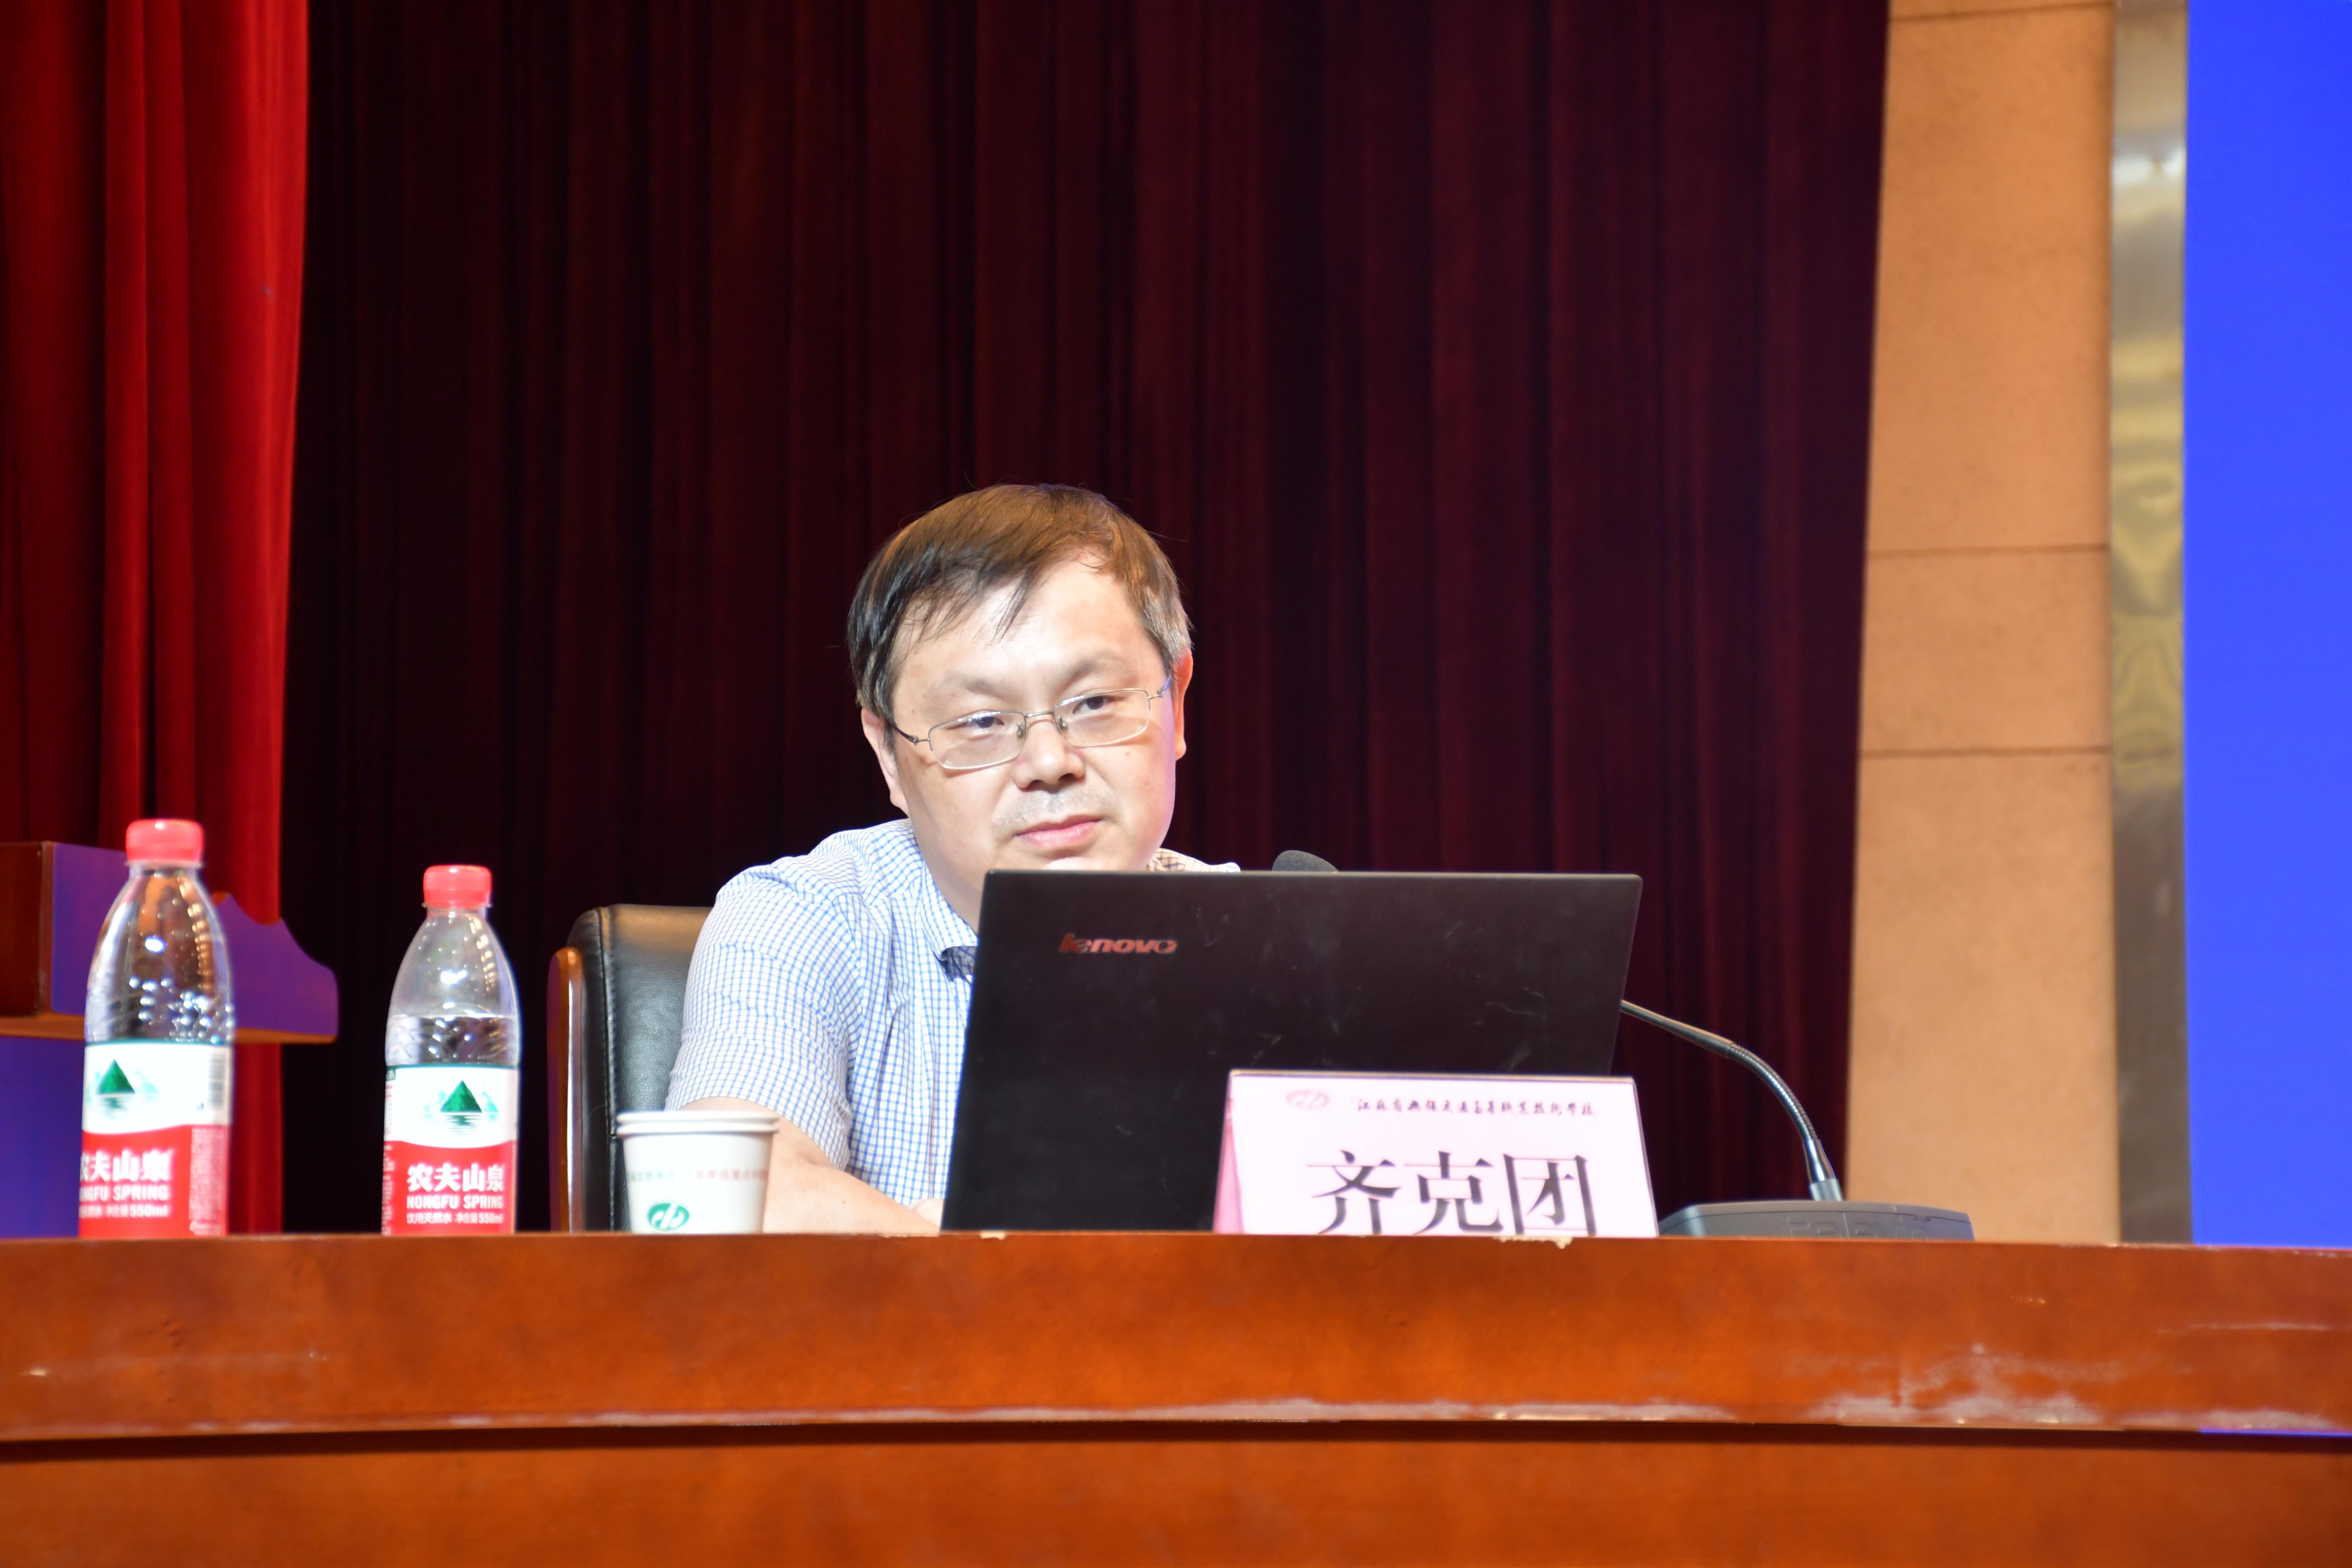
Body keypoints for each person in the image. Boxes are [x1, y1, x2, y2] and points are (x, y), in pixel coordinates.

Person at [664, 484, 1231, 1233]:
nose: (1049, 762)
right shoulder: (806, 920)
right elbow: (733, 1198)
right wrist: (1006, 1270)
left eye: (1094, 703)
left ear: (1176, 702)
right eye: (981, 721)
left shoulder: (1262, 941)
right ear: (889, 756)